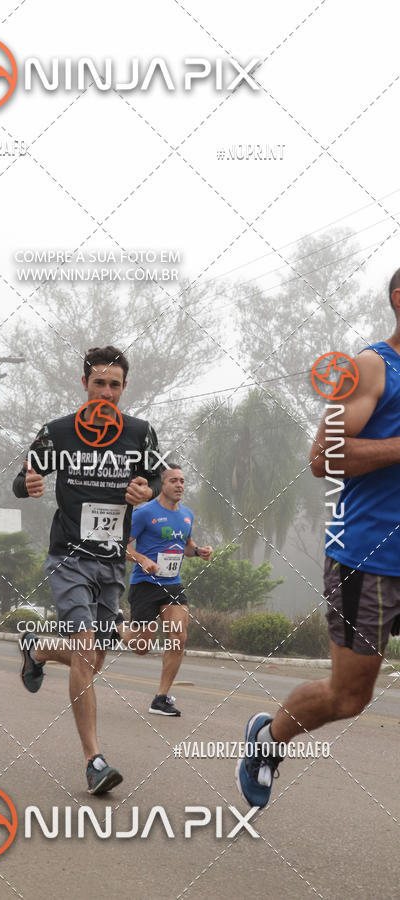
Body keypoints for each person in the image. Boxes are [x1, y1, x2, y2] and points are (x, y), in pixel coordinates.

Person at [237, 267, 400, 808]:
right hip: (370, 559)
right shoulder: (372, 368)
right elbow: (322, 458)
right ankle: (270, 739)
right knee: (348, 698)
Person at [12, 346, 164, 794]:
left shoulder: (139, 433)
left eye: (115, 384)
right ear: (85, 384)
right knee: (84, 648)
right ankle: (94, 761)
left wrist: (145, 488)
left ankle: (37, 650)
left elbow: (155, 476)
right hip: (69, 557)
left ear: (123, 388)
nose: (107, 391)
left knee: (93, 658)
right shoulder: (58, 433)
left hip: (112, 561)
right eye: (99, 382)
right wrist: (30, 484)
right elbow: (22, 479)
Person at [118, 465, 212, 716]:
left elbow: (187, 547)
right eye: (174, 481)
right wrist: (142, 560)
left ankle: (160, 698)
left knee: (178, 638)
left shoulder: (187, 515)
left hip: (172, 584)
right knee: (141, 646)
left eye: (182, 481)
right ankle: (117, 625)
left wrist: (200, 551)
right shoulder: (144, 513)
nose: (179, 485)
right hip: (145, 584)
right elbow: (123, 548)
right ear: (163, 485)